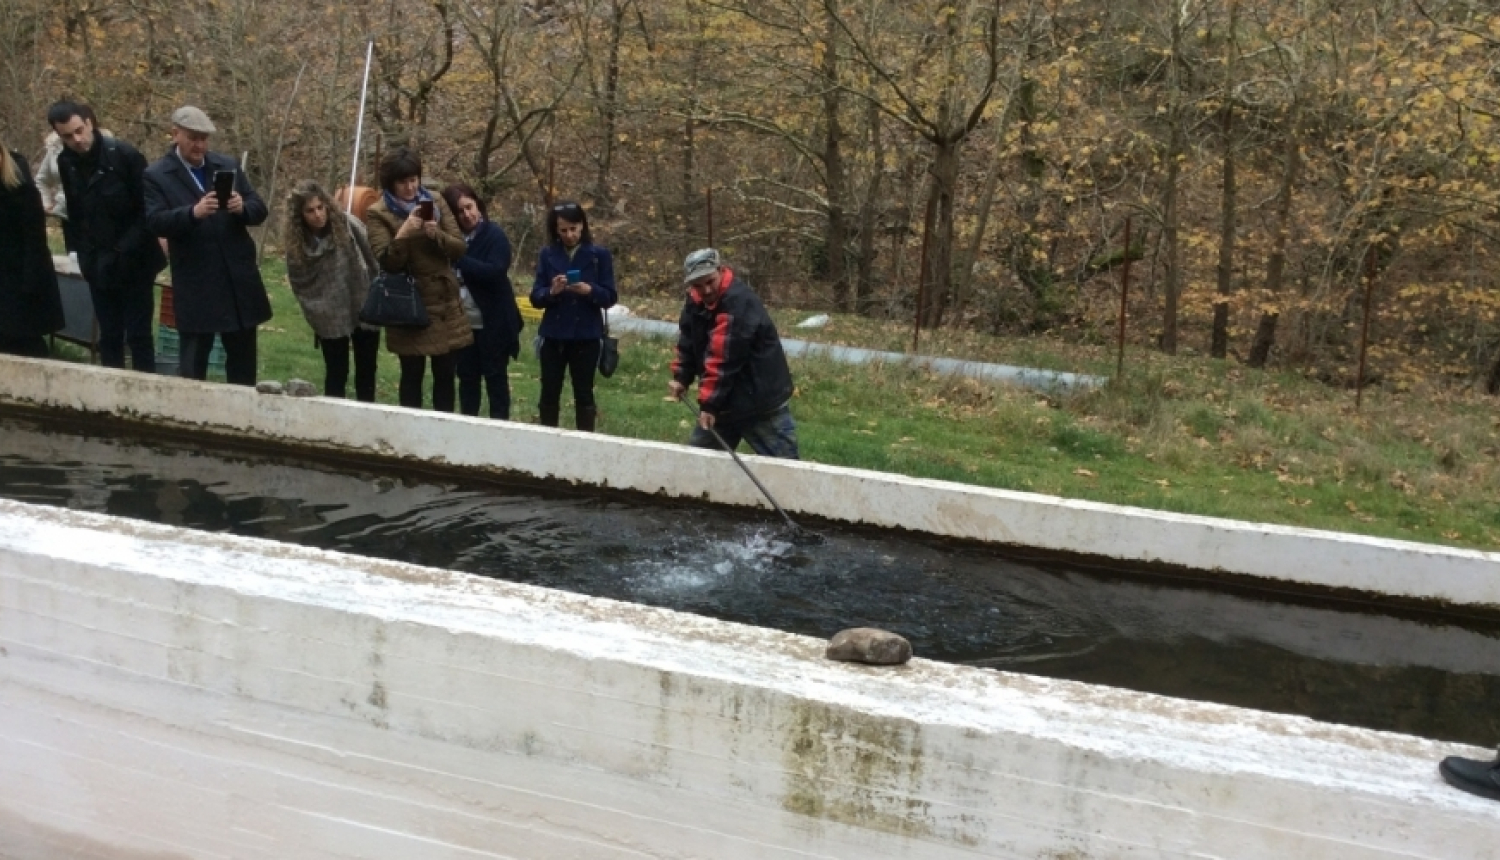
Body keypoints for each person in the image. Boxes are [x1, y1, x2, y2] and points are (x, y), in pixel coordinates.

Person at [143, 105, 272, 385]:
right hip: (197, 283)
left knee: (243, 366)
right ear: (175, 134)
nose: (199, 145)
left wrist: (241, 207)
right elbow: (155, 221)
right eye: (193, 138)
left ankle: (241, 409)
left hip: (236, 281)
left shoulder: (227, 165)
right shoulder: (157, 175)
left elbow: (259, 209)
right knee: (193, 367)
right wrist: (193, 213)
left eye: (204, 139)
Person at [49, 100, 165, 372]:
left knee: (138, 335)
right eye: (68, 136)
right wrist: (81, 255)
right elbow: (75, 212)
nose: (77, 140)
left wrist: (123, 250)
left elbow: (147, 210)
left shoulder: (124, 155)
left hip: (135, 259)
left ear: (89, 123)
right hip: (97, 261)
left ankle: (146, 387)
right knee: (109, 335)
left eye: (79, 131)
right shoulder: (66, 162)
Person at [363, 148, 471, 411]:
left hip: (444, 303)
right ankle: (409, 429)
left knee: (446, 373)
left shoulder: (435, 200)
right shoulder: (378, 212)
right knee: (412, 374)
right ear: (391, 183)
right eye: (403, 182)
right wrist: (404, 233)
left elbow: (459, 248)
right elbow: (387, 262)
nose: (410, 187)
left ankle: (443, 427)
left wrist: (437, 235)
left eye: (413, 180)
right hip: (409, 303)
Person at [667, 248, 798, 459]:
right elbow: (688, 341)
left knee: (786, 469)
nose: (706, 290)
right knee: (698, 463)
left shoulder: (738, 302)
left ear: (721, 271)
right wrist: (682, 376)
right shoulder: (694, 302)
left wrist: (709, 405)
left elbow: (723, 360)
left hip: (760, 403)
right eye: (698, 285)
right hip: (723, 403)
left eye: (710, 281)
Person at [283, 180, 381, 400]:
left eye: (320, 207)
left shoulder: (348, 226)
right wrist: (319, 309)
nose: (318, 215)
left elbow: (372, 257)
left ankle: (366, 414)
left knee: (367, 370)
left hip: (362, 301)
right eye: (310, 211)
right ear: (300, 215)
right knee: (337, 371)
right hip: (328, 315)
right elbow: (300, 282)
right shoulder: (298, 246)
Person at [529, 200, 616, 431]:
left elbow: (610, 296)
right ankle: (547, 436)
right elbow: (536, 297)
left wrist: (589, 290)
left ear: (582, 226)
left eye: (574, 229)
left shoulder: (599, 255)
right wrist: (552, 291)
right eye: (563, 230)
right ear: (556, 231)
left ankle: (585, 439)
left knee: (584, 393)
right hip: (554, 335)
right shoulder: (547, 254)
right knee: (549, 392)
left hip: (586, 335)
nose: (569, 235)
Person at [441, 183, 522, 419]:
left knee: (495, 379)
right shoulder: (449, 239)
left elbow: (495, 271)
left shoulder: (494, 235)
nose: (467, 215)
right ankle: (469, 426)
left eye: (470, 207)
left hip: (493, 322)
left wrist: (460, 259)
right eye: (460, 211)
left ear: (478, 205)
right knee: (467, 379)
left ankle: (500, 428)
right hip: (462, 323)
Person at [0, 145, 66, 357]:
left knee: (22, 341)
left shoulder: (20, 187)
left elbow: (34, 240)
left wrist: (30, 284)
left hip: (18, 277)